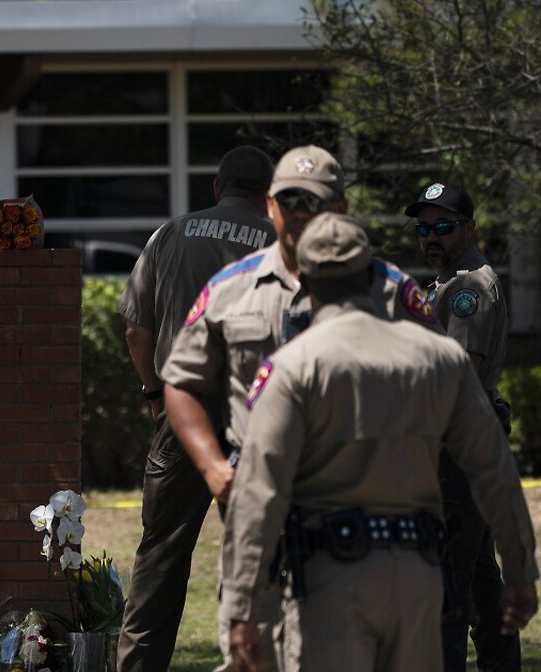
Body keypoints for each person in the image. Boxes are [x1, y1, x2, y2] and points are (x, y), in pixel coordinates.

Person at [159, 145, 440, 670]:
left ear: (341, 207)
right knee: (255, 652)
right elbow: (180, 382)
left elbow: (444, 383)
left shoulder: (390, 291)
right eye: (291, 201)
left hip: (361, 523)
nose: (302, 215)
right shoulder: (230, 290)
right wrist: (214, 468)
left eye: (317, 202)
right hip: (261, 518)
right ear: (269, 205)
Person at [222, 212, 537, 672]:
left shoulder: (290, 368)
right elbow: (496, 473)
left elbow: (258, 495)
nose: (429, 237)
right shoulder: (435, 359)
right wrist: (522, 571)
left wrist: (244, 605)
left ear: (303, 280)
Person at [114, 146, 276, 672]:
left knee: (161, 553)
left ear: (217, 188)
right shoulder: (284, 243)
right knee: (254, 554)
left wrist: (157, 395)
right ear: (267, 193)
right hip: (259, 416)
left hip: (183, 415)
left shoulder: (169, 235)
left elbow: (136, 329)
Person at [405, 182, 517, 671]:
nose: (431, 236)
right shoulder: (447, 283)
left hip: (454, 451)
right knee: (477, 582)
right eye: (423, 228)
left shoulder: (468, 285)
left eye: (443, 226)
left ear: (469, 229)